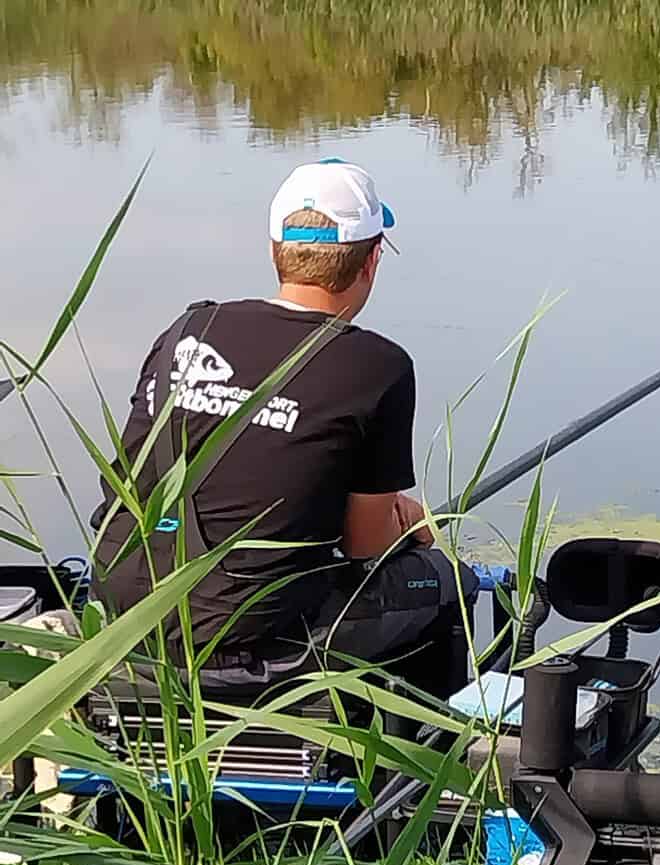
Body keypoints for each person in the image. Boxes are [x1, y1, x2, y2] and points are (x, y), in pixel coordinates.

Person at [90, 158, 480, 700]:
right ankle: (417, 761)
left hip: (125, 606)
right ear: (371, 262)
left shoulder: (188, 328)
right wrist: (407, 526)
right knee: (444, 583)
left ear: (276, 252)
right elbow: (365, 544)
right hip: (249, 636)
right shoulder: (377, 366)